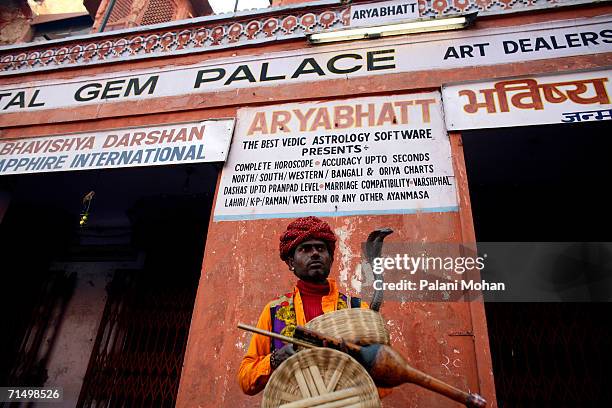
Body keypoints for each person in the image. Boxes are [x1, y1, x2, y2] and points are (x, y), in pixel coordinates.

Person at [237, 216, 369, 395]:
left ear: (330, 259)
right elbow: (246, 379)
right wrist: (275, 359)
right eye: (305, 249)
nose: (314, 253)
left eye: (321, 248)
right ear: (291, 262)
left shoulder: (358, 309)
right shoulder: (273, 311)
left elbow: (383, 382)